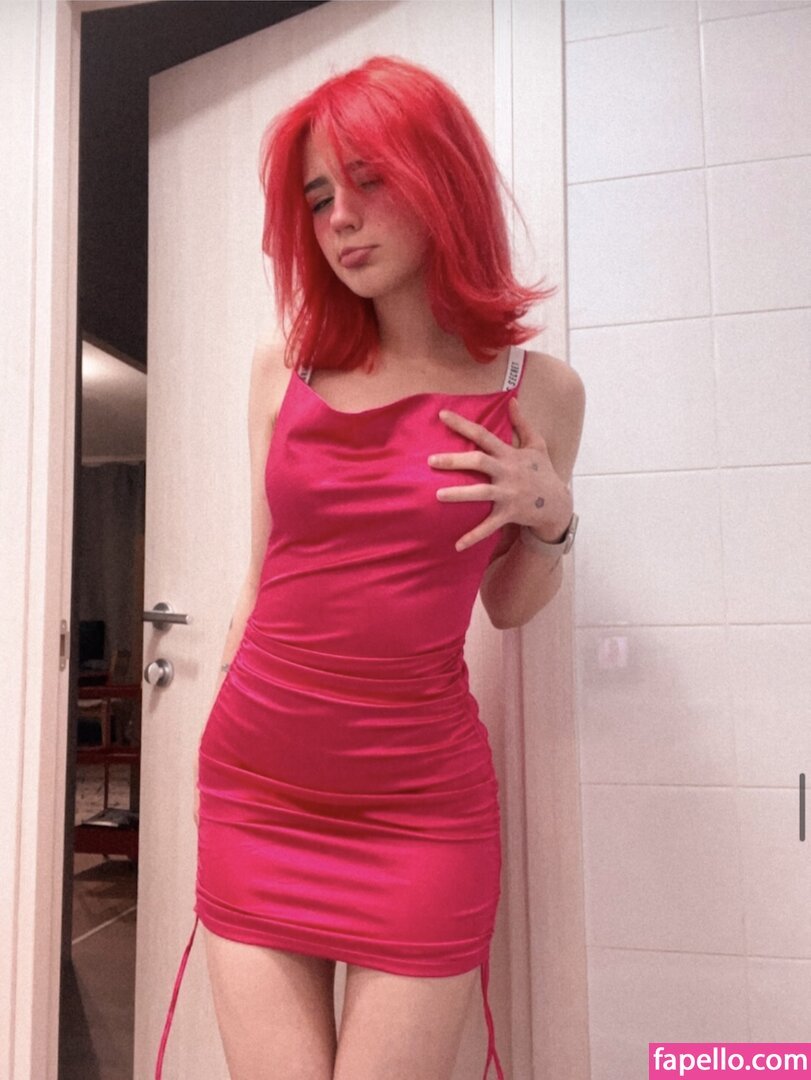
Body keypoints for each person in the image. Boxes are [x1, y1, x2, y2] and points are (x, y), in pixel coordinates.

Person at [155, 54, 585, 1080]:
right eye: (317, 199)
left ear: (443, 181)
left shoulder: (539, 391)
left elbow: (508, 608)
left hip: (420, 812)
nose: (339, 219)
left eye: (368, 181)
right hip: (258, 790)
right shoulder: (283, 368)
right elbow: (261, 577)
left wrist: (552, 519)